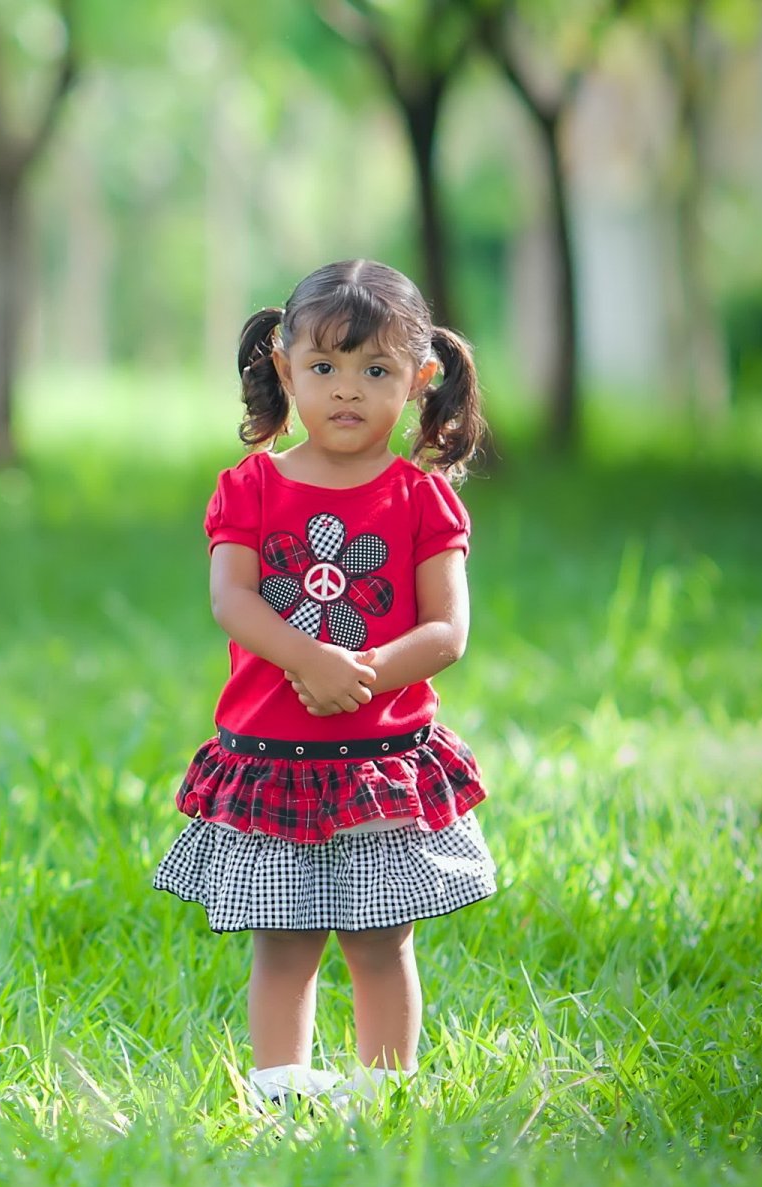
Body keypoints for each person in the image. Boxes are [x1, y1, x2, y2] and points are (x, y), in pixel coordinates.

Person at [152, 259, 497, 1113]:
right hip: (275, 757)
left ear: (420, 380)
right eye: (325, 369)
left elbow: (446, 630)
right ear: (284, 367)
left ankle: (383, 1093)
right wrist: (307, 658)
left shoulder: (420, 499)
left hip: (380, 756)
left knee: (381, 940)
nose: (348, 391)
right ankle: (278, 1093)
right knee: (286, 940)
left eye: (376, 371)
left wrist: (365, 672)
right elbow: (231, 596)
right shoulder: (251, 487)